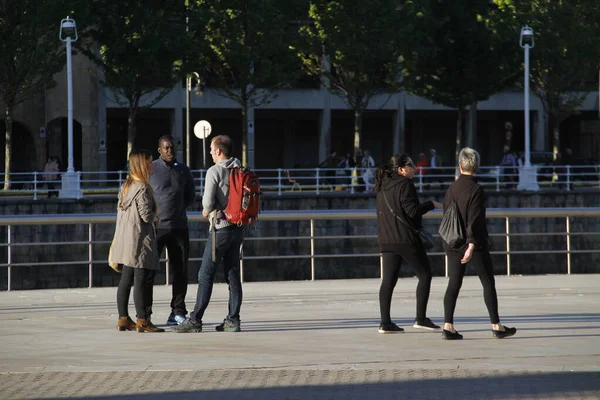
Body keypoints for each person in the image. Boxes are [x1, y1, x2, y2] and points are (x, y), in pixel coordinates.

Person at [441, 147, 517, 340]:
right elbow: (475, 219)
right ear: (477, 166)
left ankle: (448, 326)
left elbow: (447, 213)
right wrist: (472, 244)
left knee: (454, 282)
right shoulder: (476, 189)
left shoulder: (452, 187)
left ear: (460, 166)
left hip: (452, 241)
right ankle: (496, 326)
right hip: (474, 243)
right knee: (487, 282)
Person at [174, 135, 245, 333]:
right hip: (238, 229)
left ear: (219, 151)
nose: (211, 153)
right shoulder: (239, 169)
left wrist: (206, 210)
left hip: (220, 229)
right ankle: (233, 320)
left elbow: (206, 202)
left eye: (212, 149)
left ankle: (195, 320)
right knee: (233, 275)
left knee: (205, 274)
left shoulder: (215, 171)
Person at [375, 153, 443, 333]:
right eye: (411, 165)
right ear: (401, 169)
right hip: (405, 239)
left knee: (388, 280)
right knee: (425, 274)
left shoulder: (382, 185)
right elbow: (412, 211)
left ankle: (385, 322)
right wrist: (432, 204)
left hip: (387, 239)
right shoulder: (405, 184)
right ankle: (420, 318)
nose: (414, 168)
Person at [109, 149, 164, 333]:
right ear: (142, 164)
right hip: (140, 239)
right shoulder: (143, 188)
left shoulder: (126, 186)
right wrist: (156, 219)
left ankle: (123, 318)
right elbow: (146, 216)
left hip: (125, 239)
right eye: (149, 161)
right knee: (140, 280)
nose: (152, 164)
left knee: (125, 280)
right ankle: (143, 320)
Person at [149, 135, 196, 325]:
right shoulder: (150, 169)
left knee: (181, 271)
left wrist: (177, 209)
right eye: (166, 148)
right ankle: (146, 313)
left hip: (179, 227)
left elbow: (190, 196)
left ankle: (177, 311)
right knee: (149, 271)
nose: (170, 151)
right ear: (159, 150)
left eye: (172, 147)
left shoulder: (184, 170)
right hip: (157, 228)